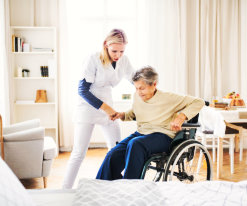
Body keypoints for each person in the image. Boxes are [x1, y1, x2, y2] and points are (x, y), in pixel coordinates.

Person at [96, 66, 204, 180]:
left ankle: (129, 187)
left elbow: (199, 102)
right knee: (113, 154)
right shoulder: (137, 96)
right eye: (136, 88)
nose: (138, 92)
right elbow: (135, 111)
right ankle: (101, 185)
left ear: (154, 85)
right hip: (141, 134)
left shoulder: (168, 98)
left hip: (163, 136)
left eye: (142, 88)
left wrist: (181, 117)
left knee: (135, 144)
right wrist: (121, 115)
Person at [62, 29, 135, 189]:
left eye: (122, 51)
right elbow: (82, 90)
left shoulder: (124, 60)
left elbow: (135, 80)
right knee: (78, 153)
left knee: (115, 150)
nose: (118, 55)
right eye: (114, 50)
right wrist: (107, 108)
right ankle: (65, 190)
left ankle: (113, 187)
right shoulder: (93, 59)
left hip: (108, 106)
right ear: (105, 45)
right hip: (87, 108)